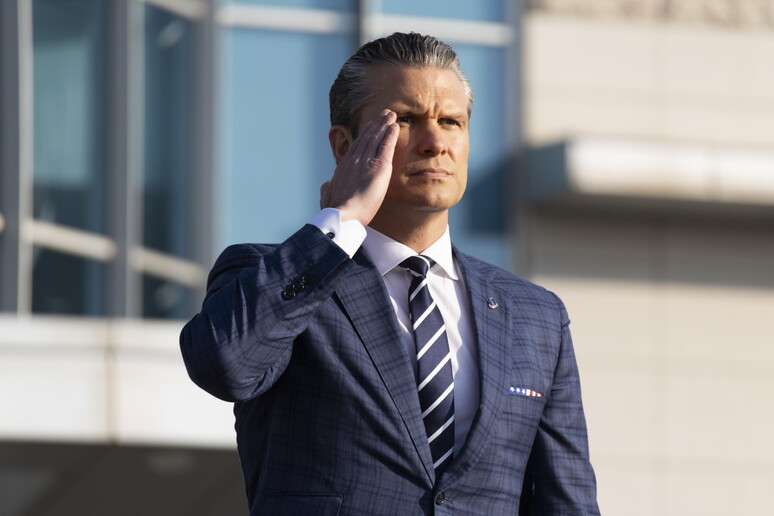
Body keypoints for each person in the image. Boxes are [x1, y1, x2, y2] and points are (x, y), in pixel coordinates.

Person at [180, 32, 600, 516]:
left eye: (451, 122)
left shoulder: (536, 316)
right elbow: (225, 366)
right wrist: (341, 220)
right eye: (406, 120)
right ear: (344, 146)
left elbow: (567, 502)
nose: (435, 143)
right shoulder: (273, 274)